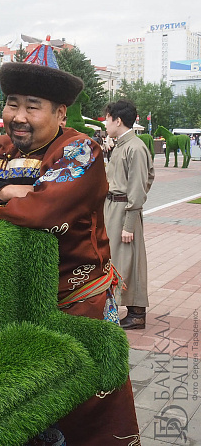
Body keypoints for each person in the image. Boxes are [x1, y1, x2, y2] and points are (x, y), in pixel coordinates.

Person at [0, 61, 140, 444]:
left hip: (76, 302)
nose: (18, 116)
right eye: (11, 103)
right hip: (9, 307)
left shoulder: (80, 150)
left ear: (60, 113)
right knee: (20, 414)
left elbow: (41, 213)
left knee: (87, 414)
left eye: (32, 106)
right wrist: (6, 191)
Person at [104, 100, 155, 330]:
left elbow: (138, 185)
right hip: (114, 208)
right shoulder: (122, 145)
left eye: (107, 119)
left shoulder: (135, 147)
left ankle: (136, 313)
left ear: (118, 120)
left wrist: (129, 224)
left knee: (129, 260)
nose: (105, 124)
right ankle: (120, 307)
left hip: (124, 210)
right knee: (117, 259)